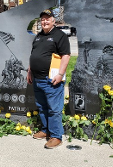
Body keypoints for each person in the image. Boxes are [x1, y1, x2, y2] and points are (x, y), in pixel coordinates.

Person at [27, 9, 70, 149]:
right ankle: (45, 130)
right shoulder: (38, 36)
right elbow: (34, 54)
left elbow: (66, 56)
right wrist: (30, 71)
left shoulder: (60, 36)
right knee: (42, 107)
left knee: (54, 109)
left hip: (51, 79)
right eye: (43, 19)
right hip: (37, 78)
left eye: (47, 19)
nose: (45, 21)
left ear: (53, 21)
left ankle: (56, 136)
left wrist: (60, 74)